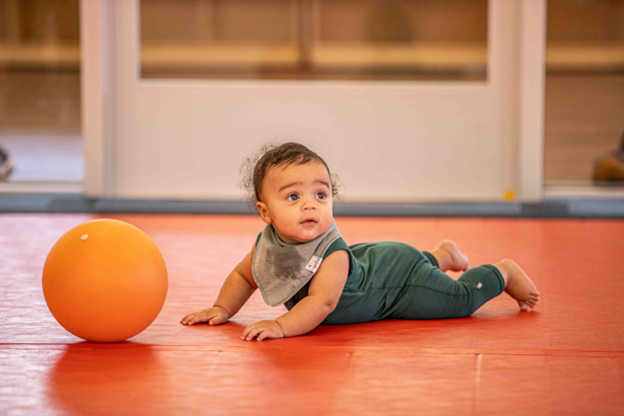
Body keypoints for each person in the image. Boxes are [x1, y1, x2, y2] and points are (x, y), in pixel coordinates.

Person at [181, 142, 540, 341]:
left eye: (321, 194)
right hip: (380, 263)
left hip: (398, 285)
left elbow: (321, 304)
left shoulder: (331, 254)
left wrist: (280, 326)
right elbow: (245, 276)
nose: (310, 204)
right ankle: (442, 254)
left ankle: (500, 273)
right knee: (415, 262)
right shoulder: (268, 246)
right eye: (293, 198)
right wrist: (223, 308)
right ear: (264, 212)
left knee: (458, 301)